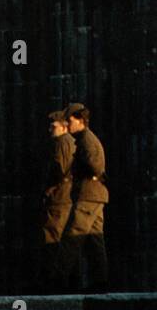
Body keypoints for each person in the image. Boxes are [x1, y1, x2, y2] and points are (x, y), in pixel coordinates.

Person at [59, 102, 109, 291]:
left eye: (69, 121)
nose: (67, 126)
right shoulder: (83, 139)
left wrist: (89, 176)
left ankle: (58, 278)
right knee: (95, 241)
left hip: (88, 195)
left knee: (72, 236)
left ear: (80, 120)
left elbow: (96, 166)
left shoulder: (87, 139)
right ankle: (100, 282)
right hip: (94, 195)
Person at [39, 109, 75, 291]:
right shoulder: (71, 142)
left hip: (59, 198)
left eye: (53, 126)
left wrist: (48, 190)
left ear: (63, 127)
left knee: (52, 237)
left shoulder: (61, 143)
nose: (50, 130)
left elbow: (58, 170)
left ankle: (55, 284)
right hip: (66, 197)